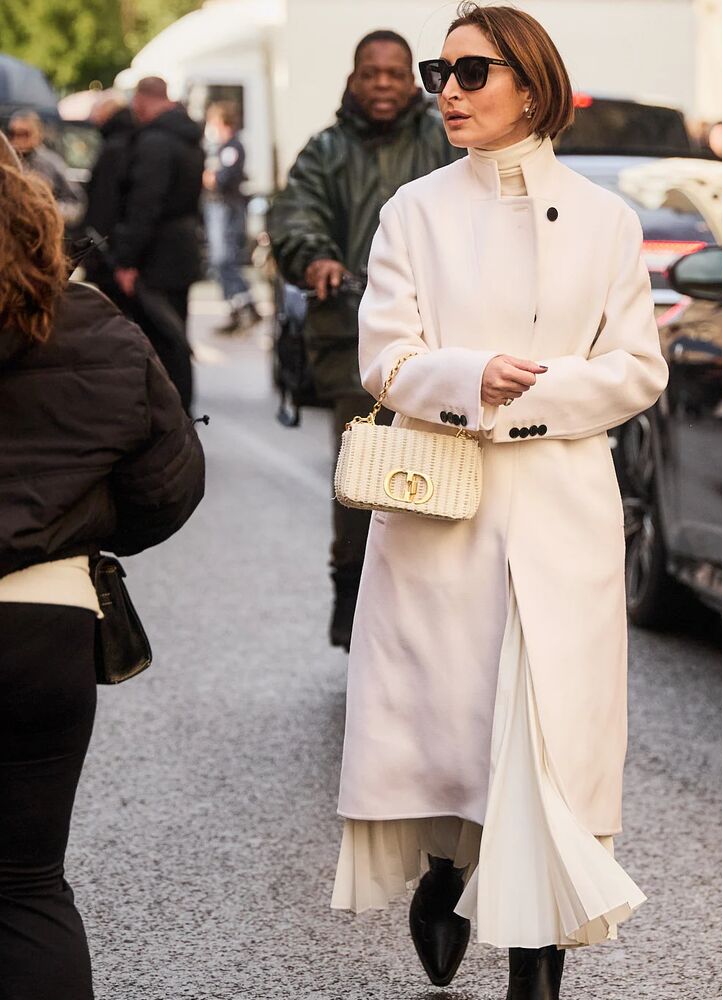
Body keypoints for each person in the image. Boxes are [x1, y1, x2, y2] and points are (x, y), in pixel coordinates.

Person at [330, 5, 670, 998]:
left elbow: (638, 366)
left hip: (562, 513)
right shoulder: (415, 212)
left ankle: (537, 961)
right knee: (450, 730)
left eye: (471, 72)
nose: (448, 90)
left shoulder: (606, 220)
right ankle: (444, 870)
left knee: (546, 742)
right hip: (445, 513)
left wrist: (535, 400)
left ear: (530, 82)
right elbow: (384, 360)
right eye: (442, 71)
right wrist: (474, 376)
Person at [0, 132, 205, 1000]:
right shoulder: (95, 327)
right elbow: (171, 484)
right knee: (25, 887)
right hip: (44, 625)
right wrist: (74, 523)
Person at [269, 30, 462, 651]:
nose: (382, 84)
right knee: (367, 473)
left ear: (413, 79)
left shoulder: (443, 139)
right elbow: (294, 214)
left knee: (447, 466)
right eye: (370, 74)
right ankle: (352, 592)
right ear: (353, 79)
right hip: (351, 337)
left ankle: (438, 603)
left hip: (444, 334)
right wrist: (316, 257)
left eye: (394, 73)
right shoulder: (324, 150)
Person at [113, 76, 204, 413]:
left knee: (162, 340)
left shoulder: (155, 141)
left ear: (141, 101)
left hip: (156, 255)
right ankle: (181, 413)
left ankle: (171, 415)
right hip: (181, 249)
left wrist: (127, 259)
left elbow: (145, 203)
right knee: (175, 337)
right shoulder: (188, 137)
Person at [203, 100, 260, 333]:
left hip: (227, 208)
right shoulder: (222, 147)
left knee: (224, 259)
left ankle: (245, 303)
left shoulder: (232, 147)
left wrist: (209, 177)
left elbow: (219, 179)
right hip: (219, 207)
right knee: (220, 261)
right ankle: (237, 308)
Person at [82, 94, 135, 308]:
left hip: (109, 242)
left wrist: (96, 240)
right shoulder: (129, 139)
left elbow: (105, 200)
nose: (92, 117)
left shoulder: (114, 146)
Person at [6, 109, 84, 225]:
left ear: (38, 133)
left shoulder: (52, 163)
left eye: (24, 134)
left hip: (42, 232)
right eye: (13, 133)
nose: (18, 139)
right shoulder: (5, 162)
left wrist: (47, 212)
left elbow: (76, 204)